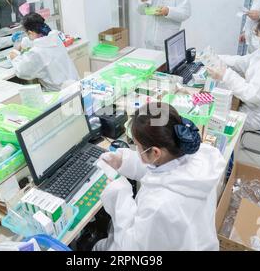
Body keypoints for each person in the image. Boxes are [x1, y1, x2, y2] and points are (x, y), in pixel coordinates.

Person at [92, 103, 225, 251]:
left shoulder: (160, 205)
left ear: (155, 152)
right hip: (195, 241)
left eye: (137, 146)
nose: (136, 150)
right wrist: (124, 162)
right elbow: (164, 171)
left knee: (99, 247)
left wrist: (119, 194)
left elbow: (132, 247)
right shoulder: (196, 157)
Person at [8, 13, 79, 91]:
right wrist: (23, 43)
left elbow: (22, 71)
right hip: (76, 85)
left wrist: (15, 57)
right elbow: (38, 41)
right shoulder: (55, 37)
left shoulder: (37, 52)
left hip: (59, 93)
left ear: (30, 32)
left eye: (27, 34)